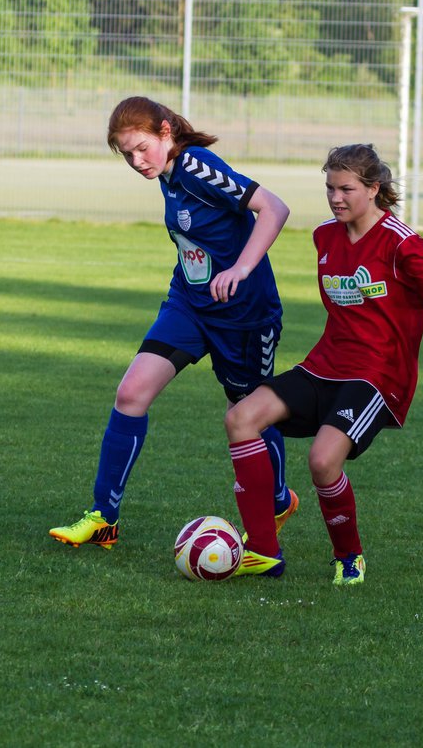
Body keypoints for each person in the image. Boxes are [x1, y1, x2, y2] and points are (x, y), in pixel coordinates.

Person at [49, 96, 298, 551]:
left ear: (166, 132)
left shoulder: (198, 165)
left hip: (244, 315)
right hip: (188, 305)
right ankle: (104, 517)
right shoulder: (166, 176)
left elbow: (275, 208)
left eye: (142, 148)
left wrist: (241, 268)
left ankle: (278, 499)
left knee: (247, 414)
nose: (135, 160)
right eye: (126, 154)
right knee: (131, 393)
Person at [224, 143, 423, 585]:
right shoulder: (325, 236)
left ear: (374, 189)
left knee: (322, 462)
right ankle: (262, 550)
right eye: (330, 188)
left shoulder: (402, 244)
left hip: (376, 377)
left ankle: (349, 557)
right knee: (241, 418)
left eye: (346, 189)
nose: (336, 198)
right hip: (323, 366)